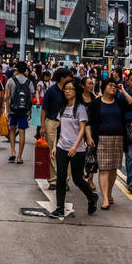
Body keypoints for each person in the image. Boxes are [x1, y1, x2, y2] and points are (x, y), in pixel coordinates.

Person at [50, 77, 97, 220]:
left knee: (77, 179)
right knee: (61, 178)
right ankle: (59, 208)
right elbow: (60, 128)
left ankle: (91, 197)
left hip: (77, 149)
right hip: (62, 147)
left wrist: (75, 146)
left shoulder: (80, 108)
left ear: (76, 91)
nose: (68, 91)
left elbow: (82, 129)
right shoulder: (63, 107)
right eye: (66, 89)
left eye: (71, 89)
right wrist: (54, 146)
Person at [88, 76, 131, 210]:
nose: (113, 88)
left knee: (113, 169)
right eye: (110, 85)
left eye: (115, 86)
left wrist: (123, 91)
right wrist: (89, 138)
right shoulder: (96, 103)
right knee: (104, 168)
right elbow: (89, 123)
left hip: (118, 139)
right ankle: (105, 199)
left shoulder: (119, 102)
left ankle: (109, 193)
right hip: (101, 139)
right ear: (103, 87)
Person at [41, 68, 67, 187]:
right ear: (62, 78)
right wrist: (42, 126)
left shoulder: (70, 90)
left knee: (67, 152)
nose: (70, 79)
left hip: (67, 124)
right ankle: (52, 180)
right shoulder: (51, 91)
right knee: (52, 151)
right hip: (51, 123)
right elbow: (44, 109)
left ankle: (64, 180)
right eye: (68, 77)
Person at [5, 60, 33, 164]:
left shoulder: (10, 81)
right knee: (22, 132)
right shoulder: (29, 82)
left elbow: (7, 97)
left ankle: (13, 152)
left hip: (13, 109)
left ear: (16, 69)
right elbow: (30, 98)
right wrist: (29, 112)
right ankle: (19, 157)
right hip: (24, 110)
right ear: (26, 70)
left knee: (12, 130)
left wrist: (7, 110)